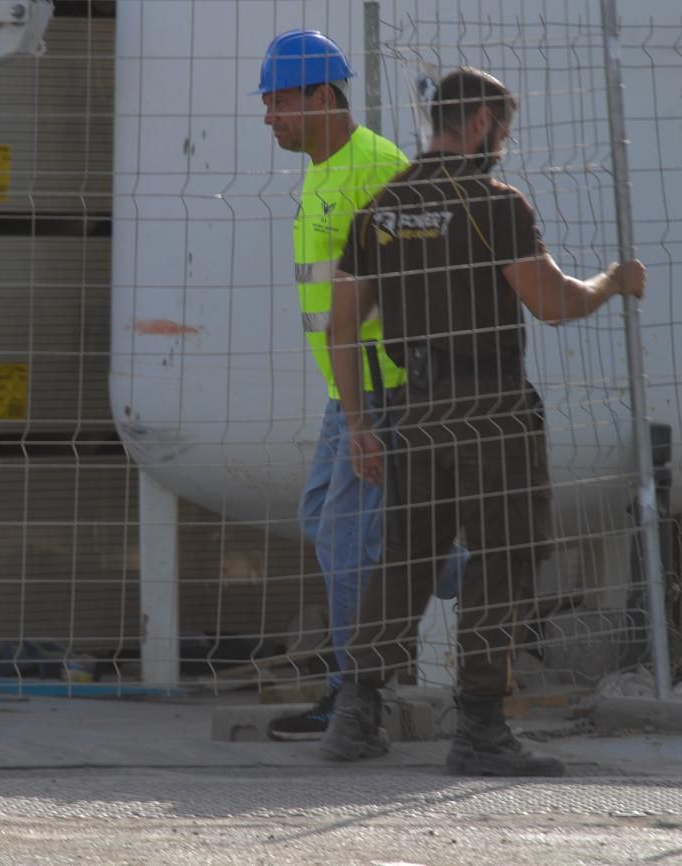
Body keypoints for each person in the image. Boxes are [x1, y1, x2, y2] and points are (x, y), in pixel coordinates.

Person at [326, 67, 647, 775]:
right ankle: (479, 732)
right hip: (490, 411)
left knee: (405, 560)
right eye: (502, 125)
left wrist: (360, 424)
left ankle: (354, 713)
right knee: (503, 563)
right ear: (477, 122)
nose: (504, 140)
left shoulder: (380, 209)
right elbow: (556, 303)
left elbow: (341, 328)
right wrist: (613, 282)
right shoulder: (494, 204)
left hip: (413, 411)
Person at [258, 30, 467, 741]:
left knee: (346, 543)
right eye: (264, 104)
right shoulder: (325, 169)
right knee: (325, 521)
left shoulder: (374, 170)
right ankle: (470, 560)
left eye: (279, 101)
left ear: (322, 96)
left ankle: (357, 698)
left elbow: (414, 297)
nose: (267, 117)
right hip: (351, 391)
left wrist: (370, 418)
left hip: (383, 389)